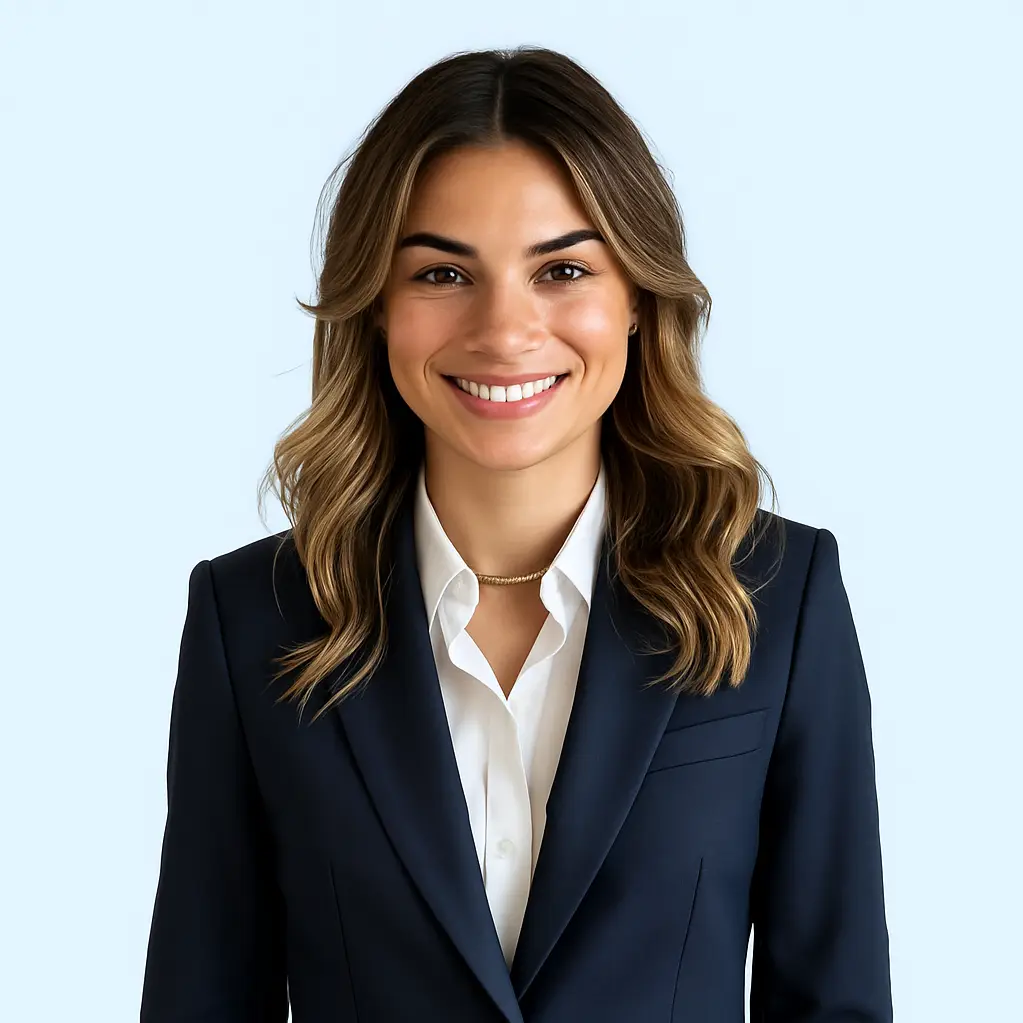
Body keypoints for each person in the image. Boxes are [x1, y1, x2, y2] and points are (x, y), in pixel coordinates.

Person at [140, 46, 893, 1023]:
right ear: (376, 305)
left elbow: (835, 1004)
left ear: (637, 299)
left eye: (563, 269)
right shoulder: (253, 622)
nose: (504, 329)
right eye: (445, 271)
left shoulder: (780, 600)